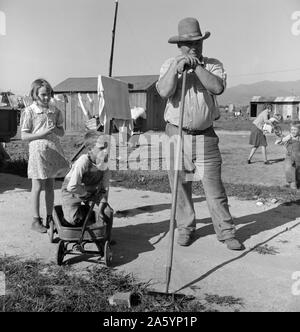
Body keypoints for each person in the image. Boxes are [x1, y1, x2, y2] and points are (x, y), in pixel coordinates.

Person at [156, 17, 243, 250]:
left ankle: (226, 232)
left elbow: (217, 87)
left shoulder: (213, 64)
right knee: (180, 188)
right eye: (189, 43)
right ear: (179, 46)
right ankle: (185, 228)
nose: (195, 47)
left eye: (198, 42)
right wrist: (177, 69)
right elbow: (164, 91)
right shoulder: (168, 65)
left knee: (214, 189)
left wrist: (196, 67)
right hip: (176, 135)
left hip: (205, 135)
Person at [21, 79, 69, 233]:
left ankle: (50, 217)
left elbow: (62, 133)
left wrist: (55, 130)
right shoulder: (30, 111)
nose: (46, 97)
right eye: (43, 94)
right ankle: (36, 220)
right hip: (38, 154)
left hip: (52, 151)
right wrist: (43, 133)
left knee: (50, 186)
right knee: (37, 186)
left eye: (48, 94)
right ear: (35, 94)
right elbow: (24, 136)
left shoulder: (55, 111)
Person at [61, 130, 112, 227]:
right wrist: (85, 194)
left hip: (91, 192)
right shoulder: (83, 162)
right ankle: (79, 212)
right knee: (74, 221)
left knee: (108, 212)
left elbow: (105, 187)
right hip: (73, 192)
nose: (105, 151)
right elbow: (71, 187)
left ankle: (106, 237)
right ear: (90, 149)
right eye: (101, 148)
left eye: (107, 148)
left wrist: (103, 204)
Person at [275, 121, 300, 189]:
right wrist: (280, 141)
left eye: (295, 130)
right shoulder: (289, 136)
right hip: (289, 157)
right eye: (292, 129)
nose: (293, 131)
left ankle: (297, 183)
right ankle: (293, 186)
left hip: (298, 158)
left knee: (298, 172)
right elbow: (281, 141)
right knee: (289, 170)